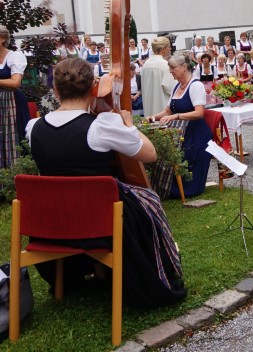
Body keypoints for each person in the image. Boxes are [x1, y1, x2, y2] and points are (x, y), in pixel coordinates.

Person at [26, 58, 186, 307]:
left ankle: (92, 270)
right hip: (96, 224)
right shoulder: (100, 126)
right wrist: (130, 125)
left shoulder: (33, 127)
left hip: (51, 224)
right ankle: (115, 267)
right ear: (92, 88)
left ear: (55, 90)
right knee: (147, 200)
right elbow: (150, 154)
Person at [149, 53, 213, 198]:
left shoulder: (196, 86)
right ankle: (162, 185)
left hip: (196, 135)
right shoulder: (176, 86)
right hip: (180, 132)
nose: (171, 71)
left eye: (173, 68)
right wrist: (152, 117)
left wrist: (176, 116)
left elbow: (199, 113)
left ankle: (181, 188)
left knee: (178, 156)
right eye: (170, 68)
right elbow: (167, 110)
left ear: (184, 67)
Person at [0, 25, 29, 167]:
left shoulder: (14, 56)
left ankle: (16, 175)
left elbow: (15, 82)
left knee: (14, 137)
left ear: (2, 39)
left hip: (11, 103)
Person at [141, 37, 175, 118]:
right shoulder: (165, 65)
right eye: (169, 47)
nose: (170, 49)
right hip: (163, 110)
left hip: (148, 109)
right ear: (163, 49)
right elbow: (171, 88)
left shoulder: (146, 64)